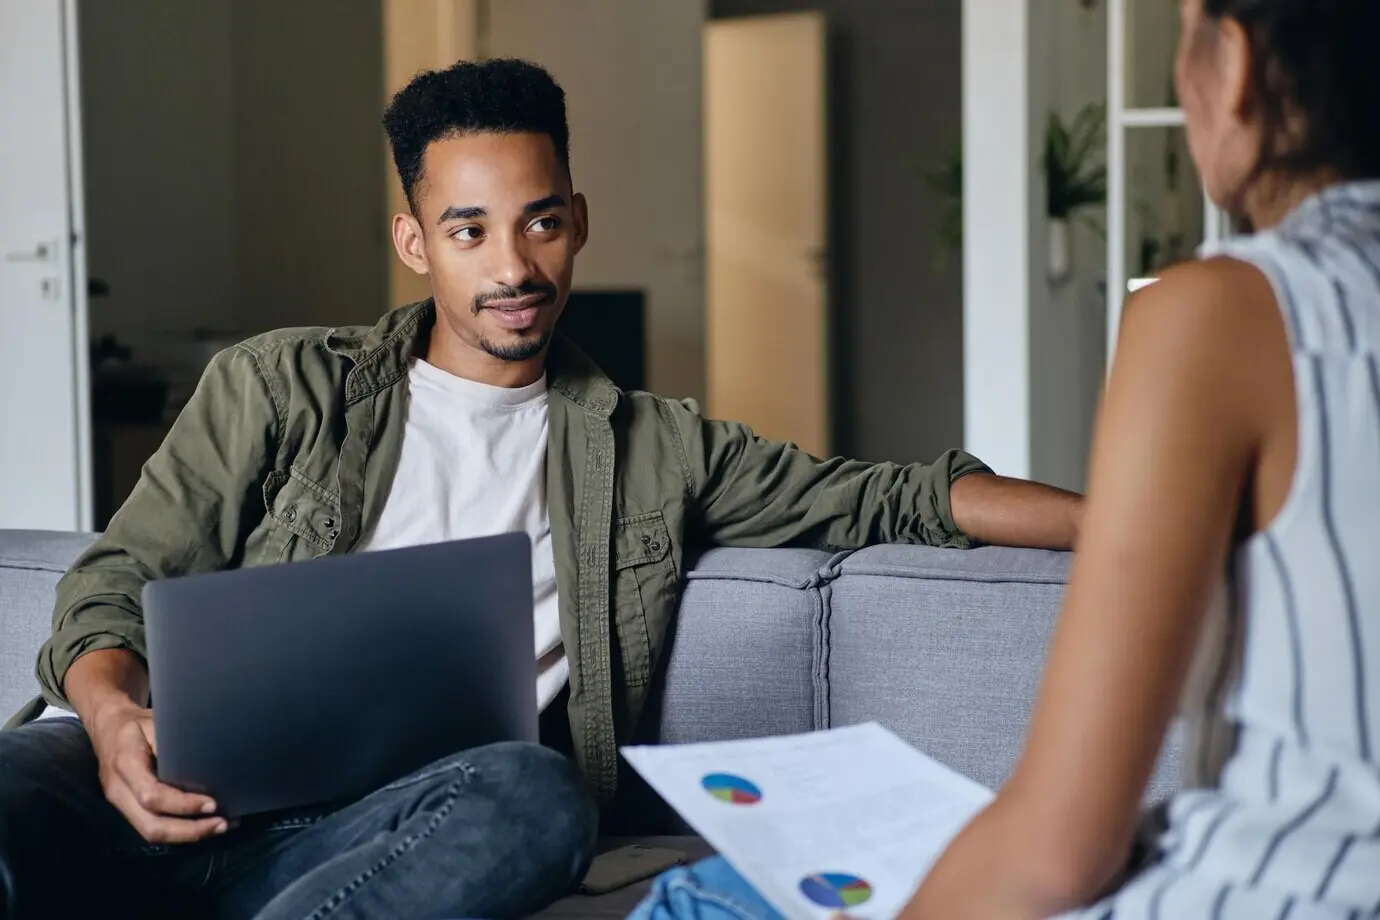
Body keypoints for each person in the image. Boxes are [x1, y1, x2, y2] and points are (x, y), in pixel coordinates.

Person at [0, 59, 1080, 920]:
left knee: (534, 797)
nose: (513, 264)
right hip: (160, 792)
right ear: (416, 241)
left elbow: (900, 499)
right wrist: (107, 717)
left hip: (389, 834)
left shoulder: (656, 447)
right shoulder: (280, 386)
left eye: (541, 220)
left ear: (579, 220)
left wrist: (1132, 522)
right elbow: (115, 580)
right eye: (470, 230)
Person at [629, 0, 1380, 918]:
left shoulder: (1218, 314)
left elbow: (1055, 855)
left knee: (702, 901)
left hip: (1269, 891)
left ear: (1233, 62)